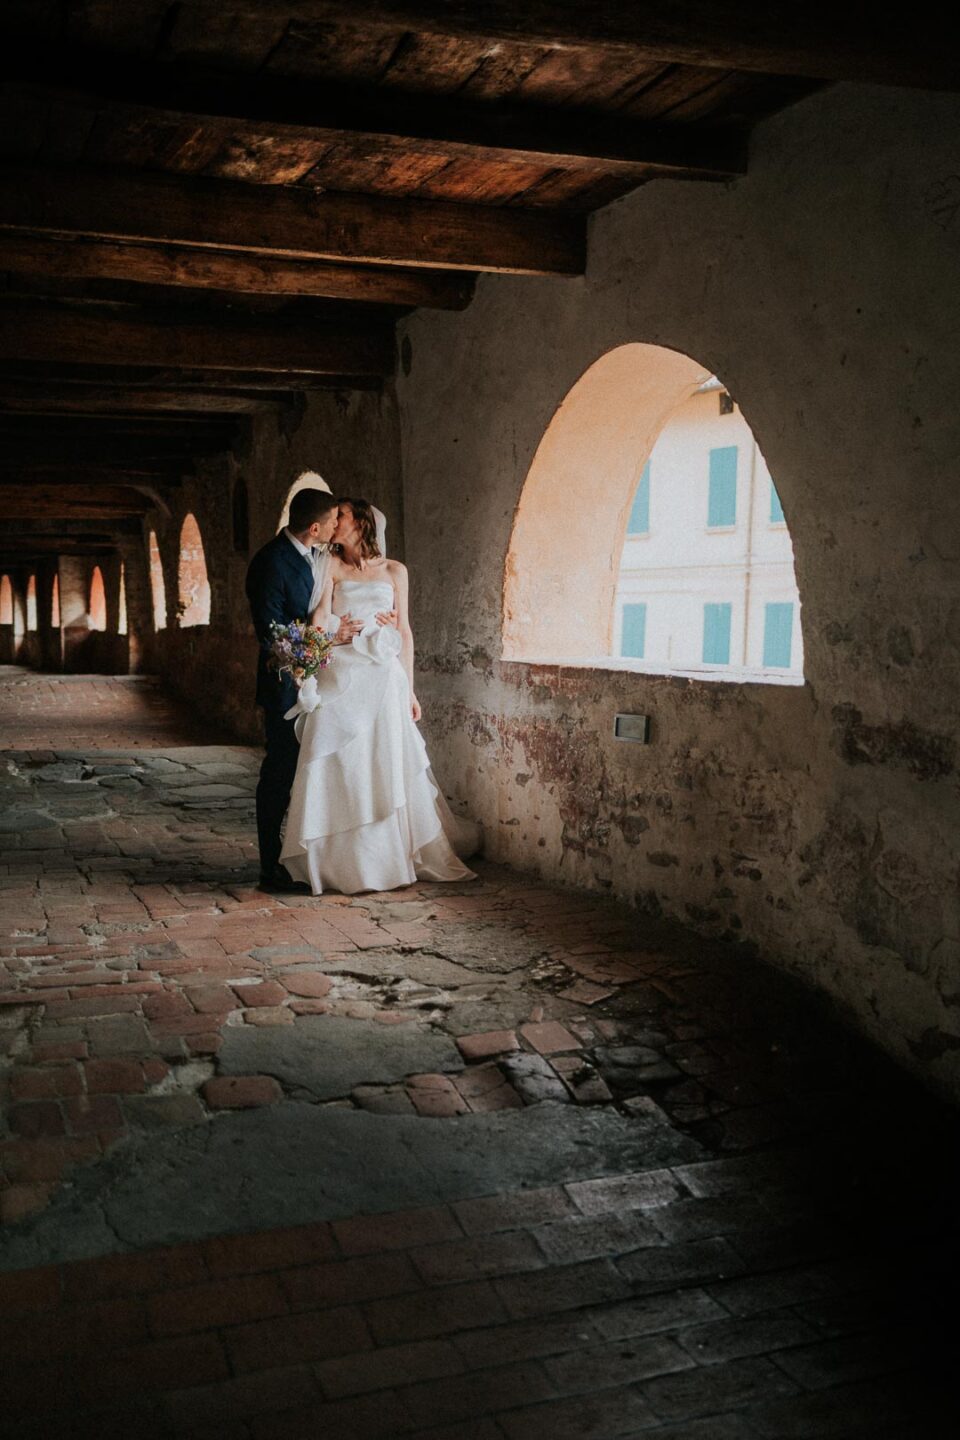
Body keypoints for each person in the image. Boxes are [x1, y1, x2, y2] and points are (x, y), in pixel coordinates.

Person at [280, 497, 479, 894]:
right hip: (342, 675)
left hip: (384, 678)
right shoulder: (329, 565)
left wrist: (409, 688)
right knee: (340, 760)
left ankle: (386, 858)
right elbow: (318, 616)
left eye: (343, 515)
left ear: (363, 523)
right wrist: (328, 637)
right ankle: (338, 861)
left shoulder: (395, 571)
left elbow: (404, 630)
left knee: (382, 761)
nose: (335, 521)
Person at [245, 487, 347, 893]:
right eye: (335, 519)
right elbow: (272, 634)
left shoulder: (320, 557)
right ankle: (270, 868)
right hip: (285, 685)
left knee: (312, 775)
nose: (340, 525)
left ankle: (306, 859)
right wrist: (325, 643)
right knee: (280, 774)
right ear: (316, 527)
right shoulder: (270, 562)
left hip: (322, 681)